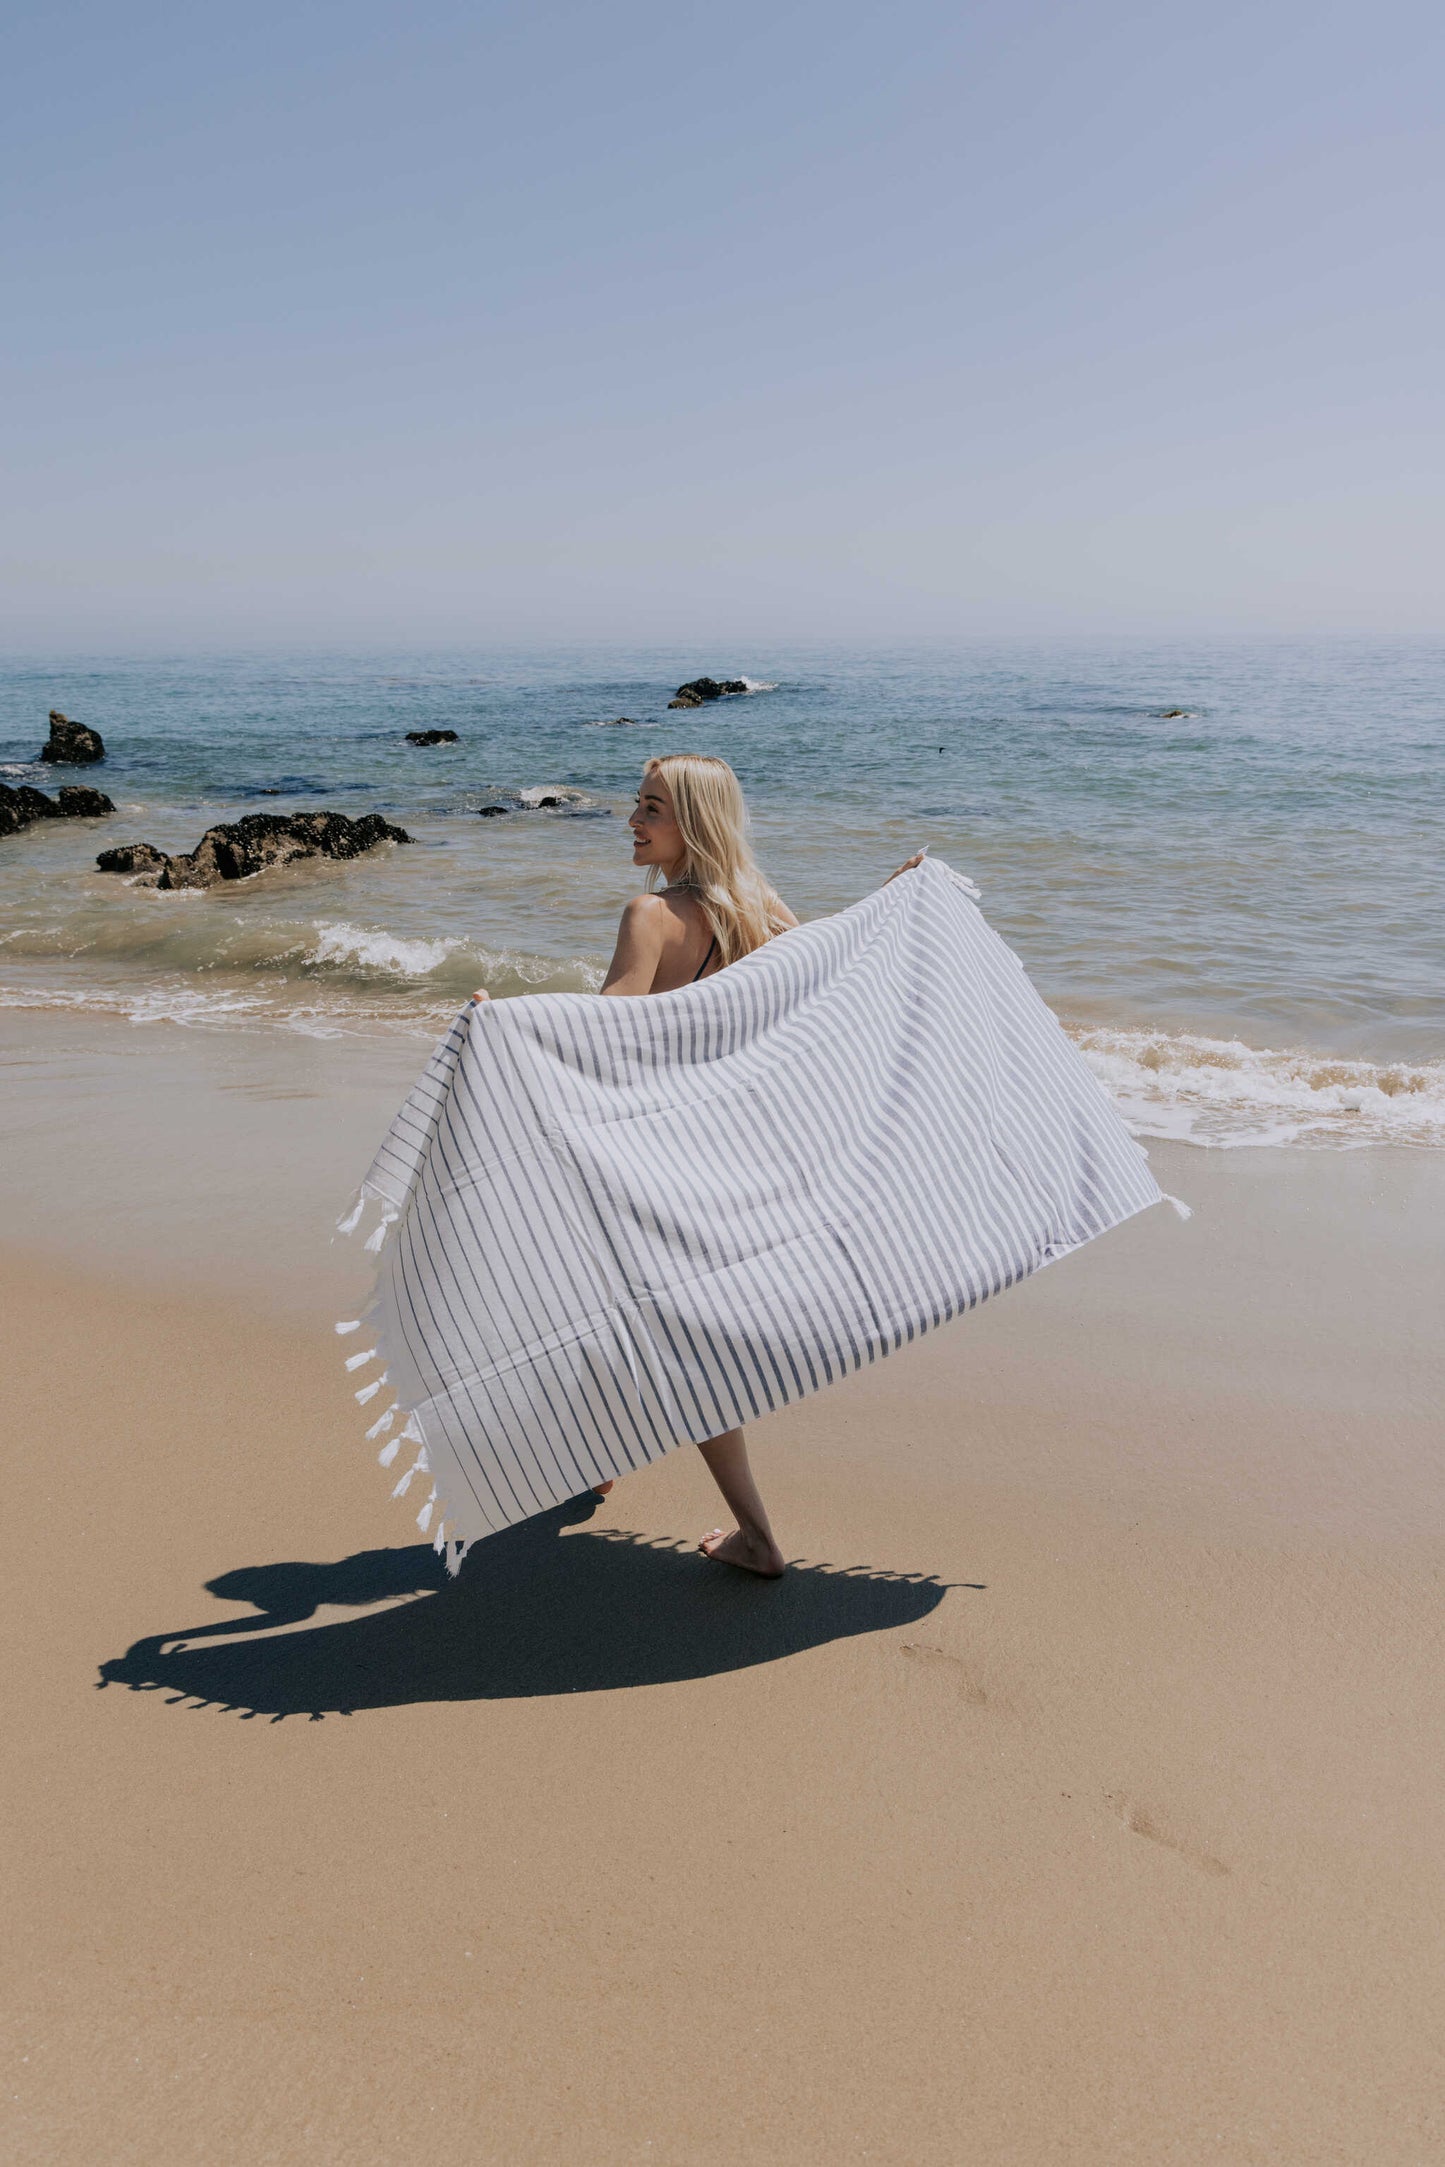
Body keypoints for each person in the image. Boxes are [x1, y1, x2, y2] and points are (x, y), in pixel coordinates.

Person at [473, 754, 800, 1576]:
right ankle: (603, 1448)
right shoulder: (762, 912)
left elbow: (603, 1029)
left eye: (650, 807)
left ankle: (755, 1534)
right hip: (725, 1152)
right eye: (636, 802)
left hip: (648, 1157)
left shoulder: (649, 914)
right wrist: (900, 899)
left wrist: (500, 1022)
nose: (632, 819)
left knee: (663, 1335)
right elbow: (831, 978)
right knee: (634, 1313)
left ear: (693, 822)